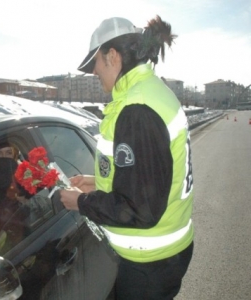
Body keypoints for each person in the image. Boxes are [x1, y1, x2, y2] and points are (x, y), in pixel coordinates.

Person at [59, 16, 194, 300]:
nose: (94, 71)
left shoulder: (137, 109)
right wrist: (98, 183)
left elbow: (140, 208)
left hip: (149, 262)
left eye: (95, 62)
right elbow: (150, 174)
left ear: (112, 56)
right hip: (161, 255)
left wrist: (81, 202)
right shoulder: (148, 93)